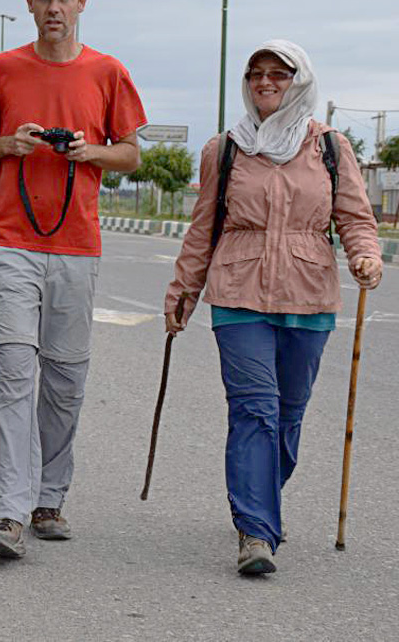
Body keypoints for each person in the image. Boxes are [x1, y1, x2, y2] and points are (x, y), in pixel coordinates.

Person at [164, 40, 382, 575]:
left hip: (309, 295)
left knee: (289, 413)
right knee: (254, 409)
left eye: (278, 74)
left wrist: (366, 255)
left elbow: (354, 216)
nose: (265, 82)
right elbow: (203, 228)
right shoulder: (227, 148)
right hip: (238, 293)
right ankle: (257, 531)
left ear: (298, 80)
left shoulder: (330, 147)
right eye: (256, 74)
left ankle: (259, 494)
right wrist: (182, 293)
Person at [0, 0, 146, 559]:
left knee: (64, 380)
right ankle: (6, 513)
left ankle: (49, 498)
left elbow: (132, 156)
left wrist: (89, 153)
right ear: (30, 4)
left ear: (82, 2)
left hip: (76, 245)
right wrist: (9, 144)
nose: (54, 8)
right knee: (14, 370)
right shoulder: (1, 68)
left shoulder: (108, 72)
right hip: (12, 240)